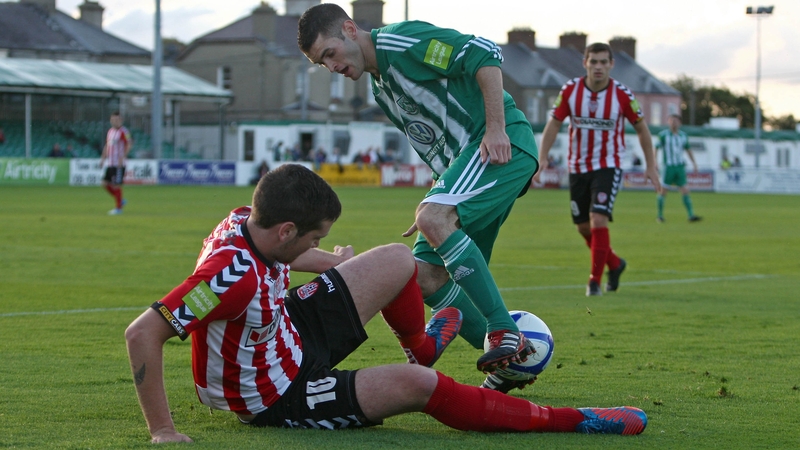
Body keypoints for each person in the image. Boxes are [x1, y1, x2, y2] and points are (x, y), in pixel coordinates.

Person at [124, 164, 648, 443]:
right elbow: (142, 333)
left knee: (398, 259)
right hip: (274, 393)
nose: (316, 246)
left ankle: (421, 344)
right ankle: (573, 420)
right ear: (286, 229)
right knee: (419, 388)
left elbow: (280, 258)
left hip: (286, 328)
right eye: (313, 239)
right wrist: (162, 431)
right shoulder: (224, 279)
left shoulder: (248, 219)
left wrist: (333, 263)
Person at [298, 3, 540, 392]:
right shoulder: (381, 90)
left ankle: (503, 331)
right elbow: (436, 145)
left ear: (349, 29)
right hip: (468, 163)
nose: (331, 66)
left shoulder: (401, 40)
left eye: (330, 53)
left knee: (432, 218)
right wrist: (440, 193)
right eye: (320, 63)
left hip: (495, 145)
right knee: (423, 277)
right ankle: (516, 362)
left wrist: (496, 129)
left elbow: (484, 53)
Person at [535, 43, 662, 297]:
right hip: (577, 166)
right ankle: (615, 263)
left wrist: (650, 165)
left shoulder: (622, 95)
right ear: (585, 63)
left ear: (611, 65)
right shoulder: (570, 91)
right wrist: (543, 157)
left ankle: (594, 280)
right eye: (593, 62)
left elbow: (642, 129)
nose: (598, 67)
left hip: (608, 165)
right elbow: (553, 124)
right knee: (583, 227)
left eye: (604, 62)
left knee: (598, 219)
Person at [656, 115, 701, 223]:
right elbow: (656, 148)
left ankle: (691, 215)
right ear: (668, 122)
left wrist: (694, 163)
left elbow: (688, 149)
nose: (673, 123)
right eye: (671, 121)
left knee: (685, 190)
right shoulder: (663, 135)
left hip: (680, 167)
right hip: (668, 166)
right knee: (663, 191)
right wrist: (654, 162)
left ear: (680, 123)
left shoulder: (683, 136)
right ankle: (660, 216)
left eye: (675, 121)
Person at [100, 111, 132, 215]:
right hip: (110, 163)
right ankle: (120, 200)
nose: (115, 121)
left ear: (121, 120)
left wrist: (122, 157)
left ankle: (118, 208)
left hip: (119, 164)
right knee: (104, 184)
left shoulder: (124, 132)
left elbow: (129, 144)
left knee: (116, 185)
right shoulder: (110, 131)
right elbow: (107, 146)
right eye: (113, 120)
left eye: (117, 120)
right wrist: (103, 158)